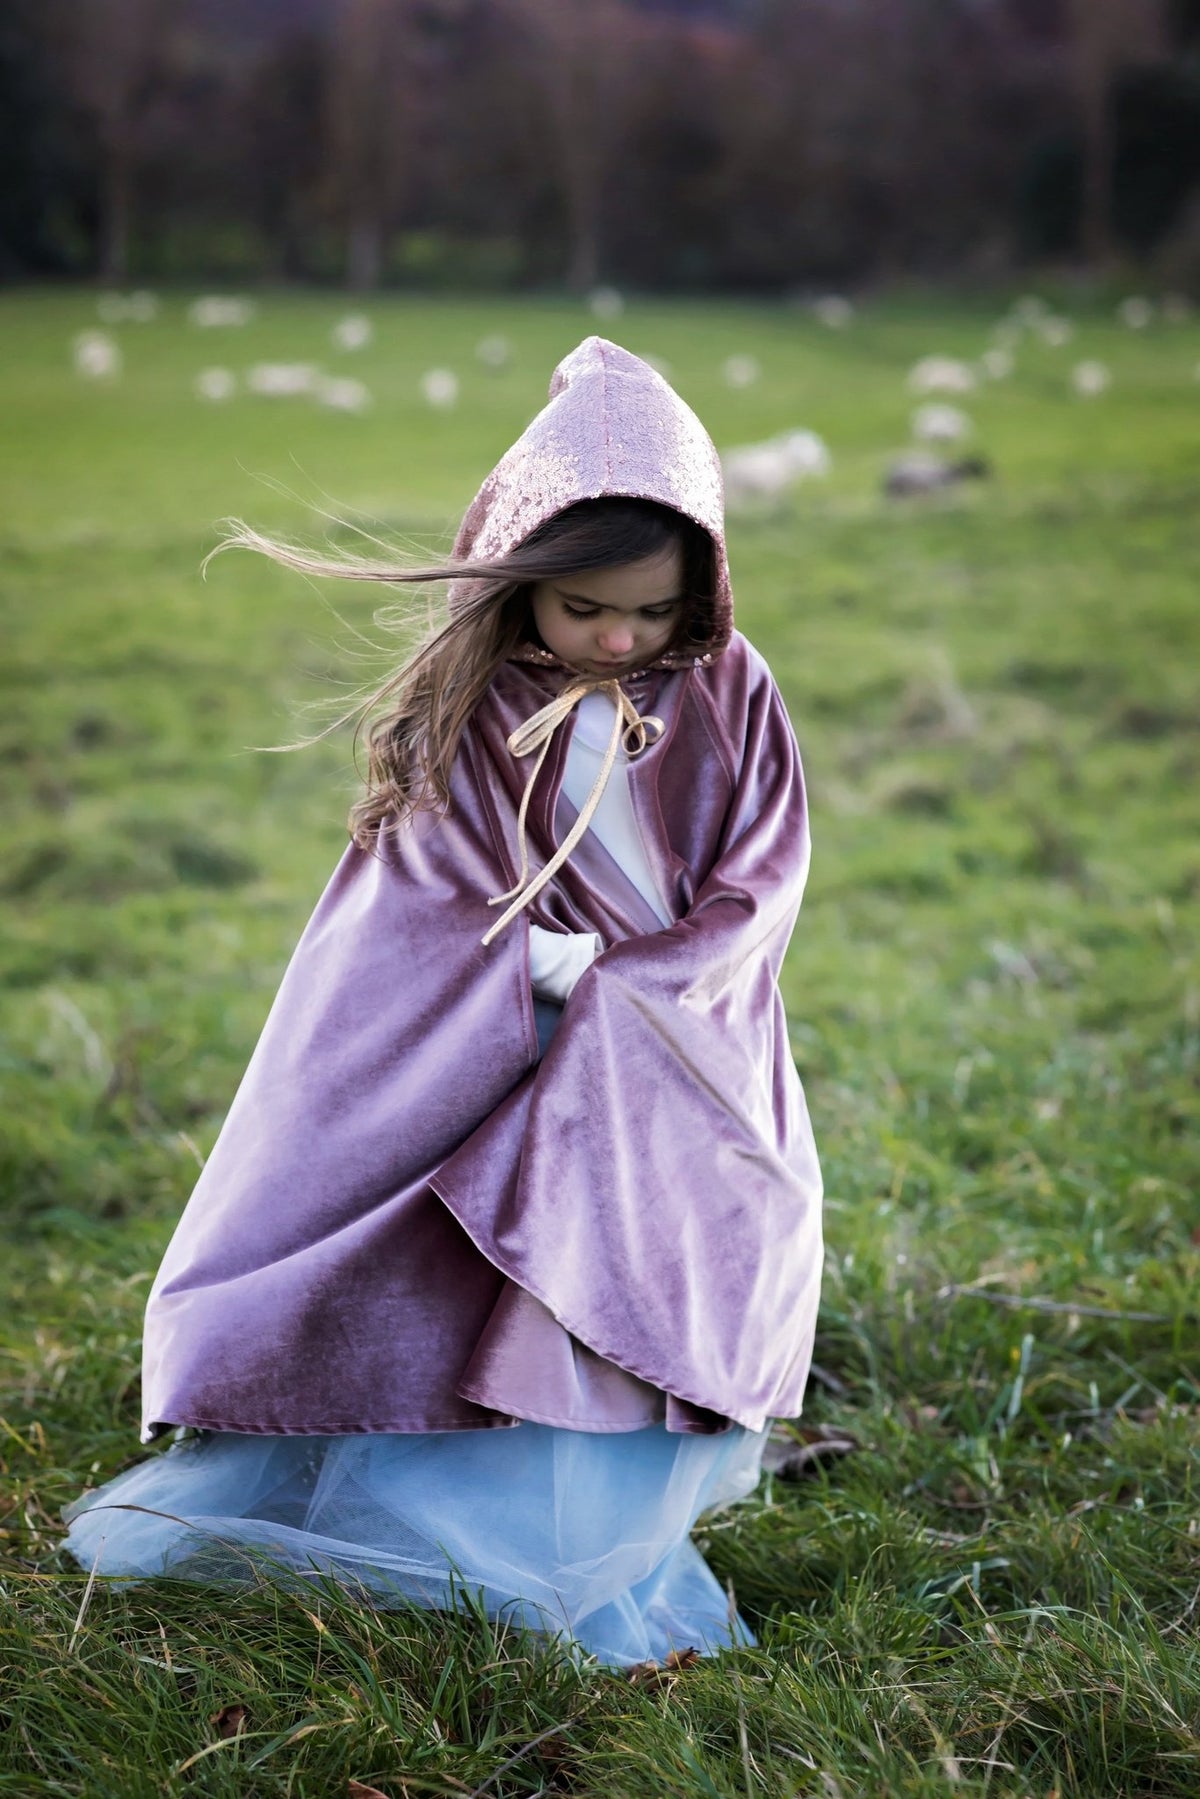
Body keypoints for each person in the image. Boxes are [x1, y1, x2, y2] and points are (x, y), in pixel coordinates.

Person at [63, 337, 824, 1669]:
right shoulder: (472, 707)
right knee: (474, 1278)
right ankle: (448, 1533)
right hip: (510, 1041)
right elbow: (427, 896)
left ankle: (600, 1529)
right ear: (522, 573)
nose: (619, 637)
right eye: (585, 605)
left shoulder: (729, 689)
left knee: (646, 1260)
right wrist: (544, 975)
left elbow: (765, 866)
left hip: (677, 1042)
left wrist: (654, 988)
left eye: (650, 610)